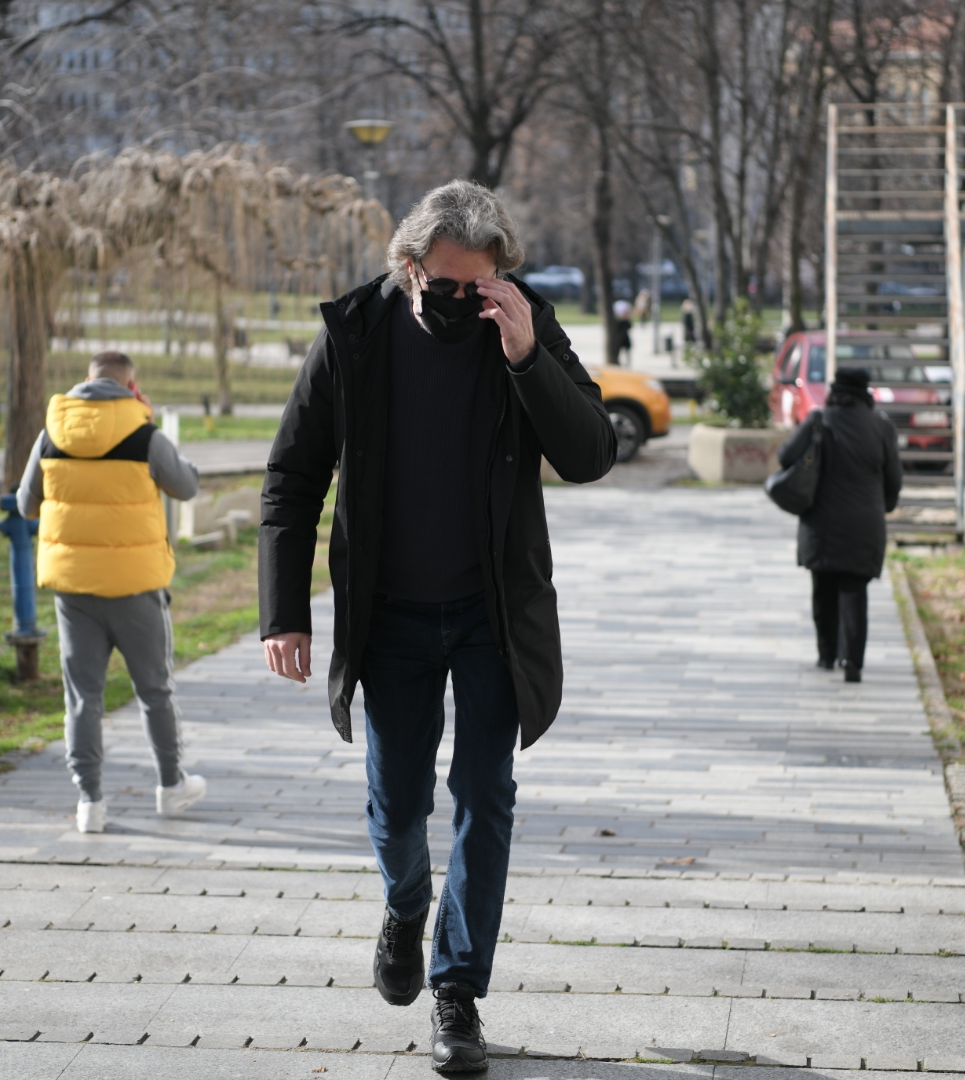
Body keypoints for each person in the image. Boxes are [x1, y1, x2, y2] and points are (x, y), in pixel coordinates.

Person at [258, 180, 616, 1073]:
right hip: (394, 616)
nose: (467, 303)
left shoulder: (519, 322)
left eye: (482, 287)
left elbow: (591, 453)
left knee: (486, 797)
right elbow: (290, 480)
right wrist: (283, 612)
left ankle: (457, 995)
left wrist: (528, 353)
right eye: (450, 288)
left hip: (496, 614)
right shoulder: (356, 335)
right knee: (398, 806)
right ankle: (406, 905)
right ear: (410, 267)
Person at [16, 350, 207, 834]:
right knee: (154, 690)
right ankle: (170, 788)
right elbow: (185, 486)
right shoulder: (145, 434)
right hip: (136, 587)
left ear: (87, 382)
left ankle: (90, 804)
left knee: (83, 698)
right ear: (131, 386)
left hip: (74, 590)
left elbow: (25, 505)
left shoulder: (52, 432)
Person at [776, 366, 902, 683]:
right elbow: (894, 481)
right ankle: (854, 662)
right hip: (865, 524)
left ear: (834, 391)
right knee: (855, 593)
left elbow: (785, 456)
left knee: (823, 590)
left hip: (821, 524)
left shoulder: (819, 420)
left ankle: (826, 655)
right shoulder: (882, 428)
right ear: (866, 394)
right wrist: (882, 507)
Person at [611, 299, 633, 365]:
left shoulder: (625, 321)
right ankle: (618, 363)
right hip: (619, 339)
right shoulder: (617, 322)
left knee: (627, 353)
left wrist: (627, 318)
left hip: (625, 339)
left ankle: (627, 364)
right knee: (618, 353)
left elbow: (630, 327)